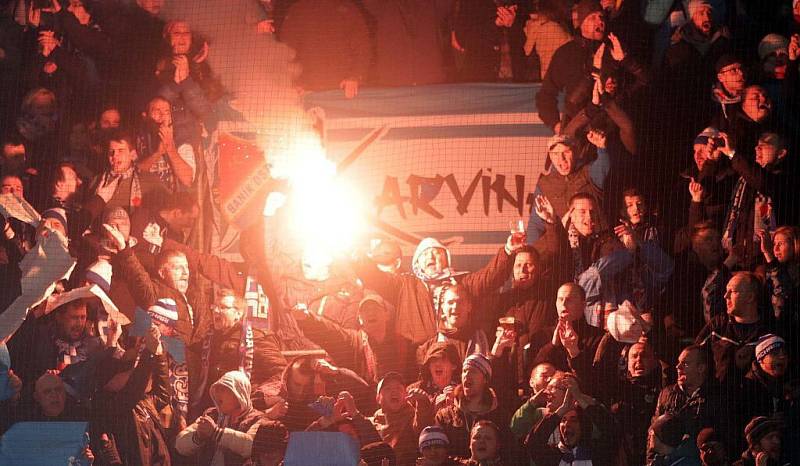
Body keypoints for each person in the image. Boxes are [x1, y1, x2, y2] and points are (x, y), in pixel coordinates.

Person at [353, 232, 521, 346]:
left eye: (436, 253)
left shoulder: (462, 282)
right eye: (424, 254)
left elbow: (489, 278)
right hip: (415, 357)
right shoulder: (404, 285)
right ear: (417, 264)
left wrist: (508, 252)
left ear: (446, 258)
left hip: (454, 354)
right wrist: (357, 259)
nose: (431, 257)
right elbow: (376, 278)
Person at [191, 289, 286, 418]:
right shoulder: (208, 338)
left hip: (242, 411)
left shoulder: (256, 337)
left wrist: (258, 397)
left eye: (223, 307)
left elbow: (282, 372)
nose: (216, 311)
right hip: (211, 409)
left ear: (238, 313)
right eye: (215, 307)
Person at [535, 0, 610, 133]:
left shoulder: (612, 50)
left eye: (601, 17)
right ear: (581, 23)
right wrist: (557, 126)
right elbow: (545, 96)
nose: (600, 22)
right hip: (577, 130)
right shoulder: (566, 53)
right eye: (592, 17)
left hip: (608, 129)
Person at [526, 133, 610, 243]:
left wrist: (602, 150)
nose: (561, 158)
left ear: (575, 152)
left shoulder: (588, 172)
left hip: (598, 242)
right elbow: (536, 224)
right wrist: (530, 251)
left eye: (566, 152)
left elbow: (602, 167)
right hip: (567, 247)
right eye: (555, 153)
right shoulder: (545, 184)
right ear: (550, 156)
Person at [279, 0, 371, 97]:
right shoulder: (297, 10)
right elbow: (285, 51)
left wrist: (355, 77)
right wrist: (294, 83)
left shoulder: (349, 9)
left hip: (342, 92)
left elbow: (363, 48)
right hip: (307, 93)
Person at [696, 272, 774, 385]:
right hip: (722, 397)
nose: (725, 296)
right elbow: (695, 355)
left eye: (732, 291)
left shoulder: (769, 330)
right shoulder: (718, 325)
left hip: (758, 399)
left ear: (750, 297)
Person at [175, 370, 263, 466]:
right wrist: (198, 436)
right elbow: (180, 445)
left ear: (239, 393)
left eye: (224, 389)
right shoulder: (212, 415)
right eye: (217, 389)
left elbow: (250, 447)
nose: (217, 393)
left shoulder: (257, 419)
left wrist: (216, 432)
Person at [524, 378, 616, 466]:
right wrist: (562, 409)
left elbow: (613, 430)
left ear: (583, 426)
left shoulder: (598, 454)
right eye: (563, 420)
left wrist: (579, 398)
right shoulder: (555, 457)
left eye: (574, 420)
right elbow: (533, 443)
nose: (567, 424)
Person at [434, 354, 511, 458]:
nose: (467, 375)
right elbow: (437, 455)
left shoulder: (499, 417)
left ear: (485, 379)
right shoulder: (446, 415)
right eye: (464, 371)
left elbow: (507, 454)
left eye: (473, 371)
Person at [88, 129, 168, 215]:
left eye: (120, 151)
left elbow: (167, 207)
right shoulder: (97, 181)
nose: (114, 156)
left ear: (132, 155)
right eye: (111, 152)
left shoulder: (148, 180)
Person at [613, 340, 667, 466]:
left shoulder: (663, 389)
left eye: (644, 356)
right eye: (634, 356)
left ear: (655, 361)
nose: (639, 360)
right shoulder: (618, 389)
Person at [370, 372, 434, 466]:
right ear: (378, 398)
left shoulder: (412, 416)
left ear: (406, 395)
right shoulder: (371, 423)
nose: (394, 391)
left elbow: (422, 428)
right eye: (388, 389)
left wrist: (423, 402)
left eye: (399, 388)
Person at [654, 345, 719, 437]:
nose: (678, 367)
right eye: (679, 362)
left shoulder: (719, 397)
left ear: (701, 368)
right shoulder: (666, 394)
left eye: (685, 364)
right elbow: (654, 430)